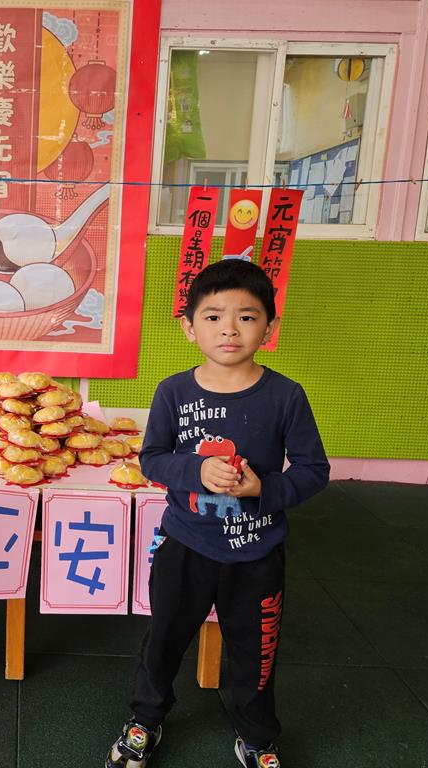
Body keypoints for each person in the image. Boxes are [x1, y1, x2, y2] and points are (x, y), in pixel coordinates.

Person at [105, 258, 329, 768]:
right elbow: (152, 460)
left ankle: (256, 737)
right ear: (189, 327)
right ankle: (145, 719)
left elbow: (314, 470)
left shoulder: (286, 395)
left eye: (246, 317)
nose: (230, 328)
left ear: (269, 328)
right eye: (213, 316)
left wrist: (263, 488)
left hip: (258, 553)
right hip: (185, 545)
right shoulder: (174, 391)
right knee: (163, 640)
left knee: (256, 652)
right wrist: (196, 470)